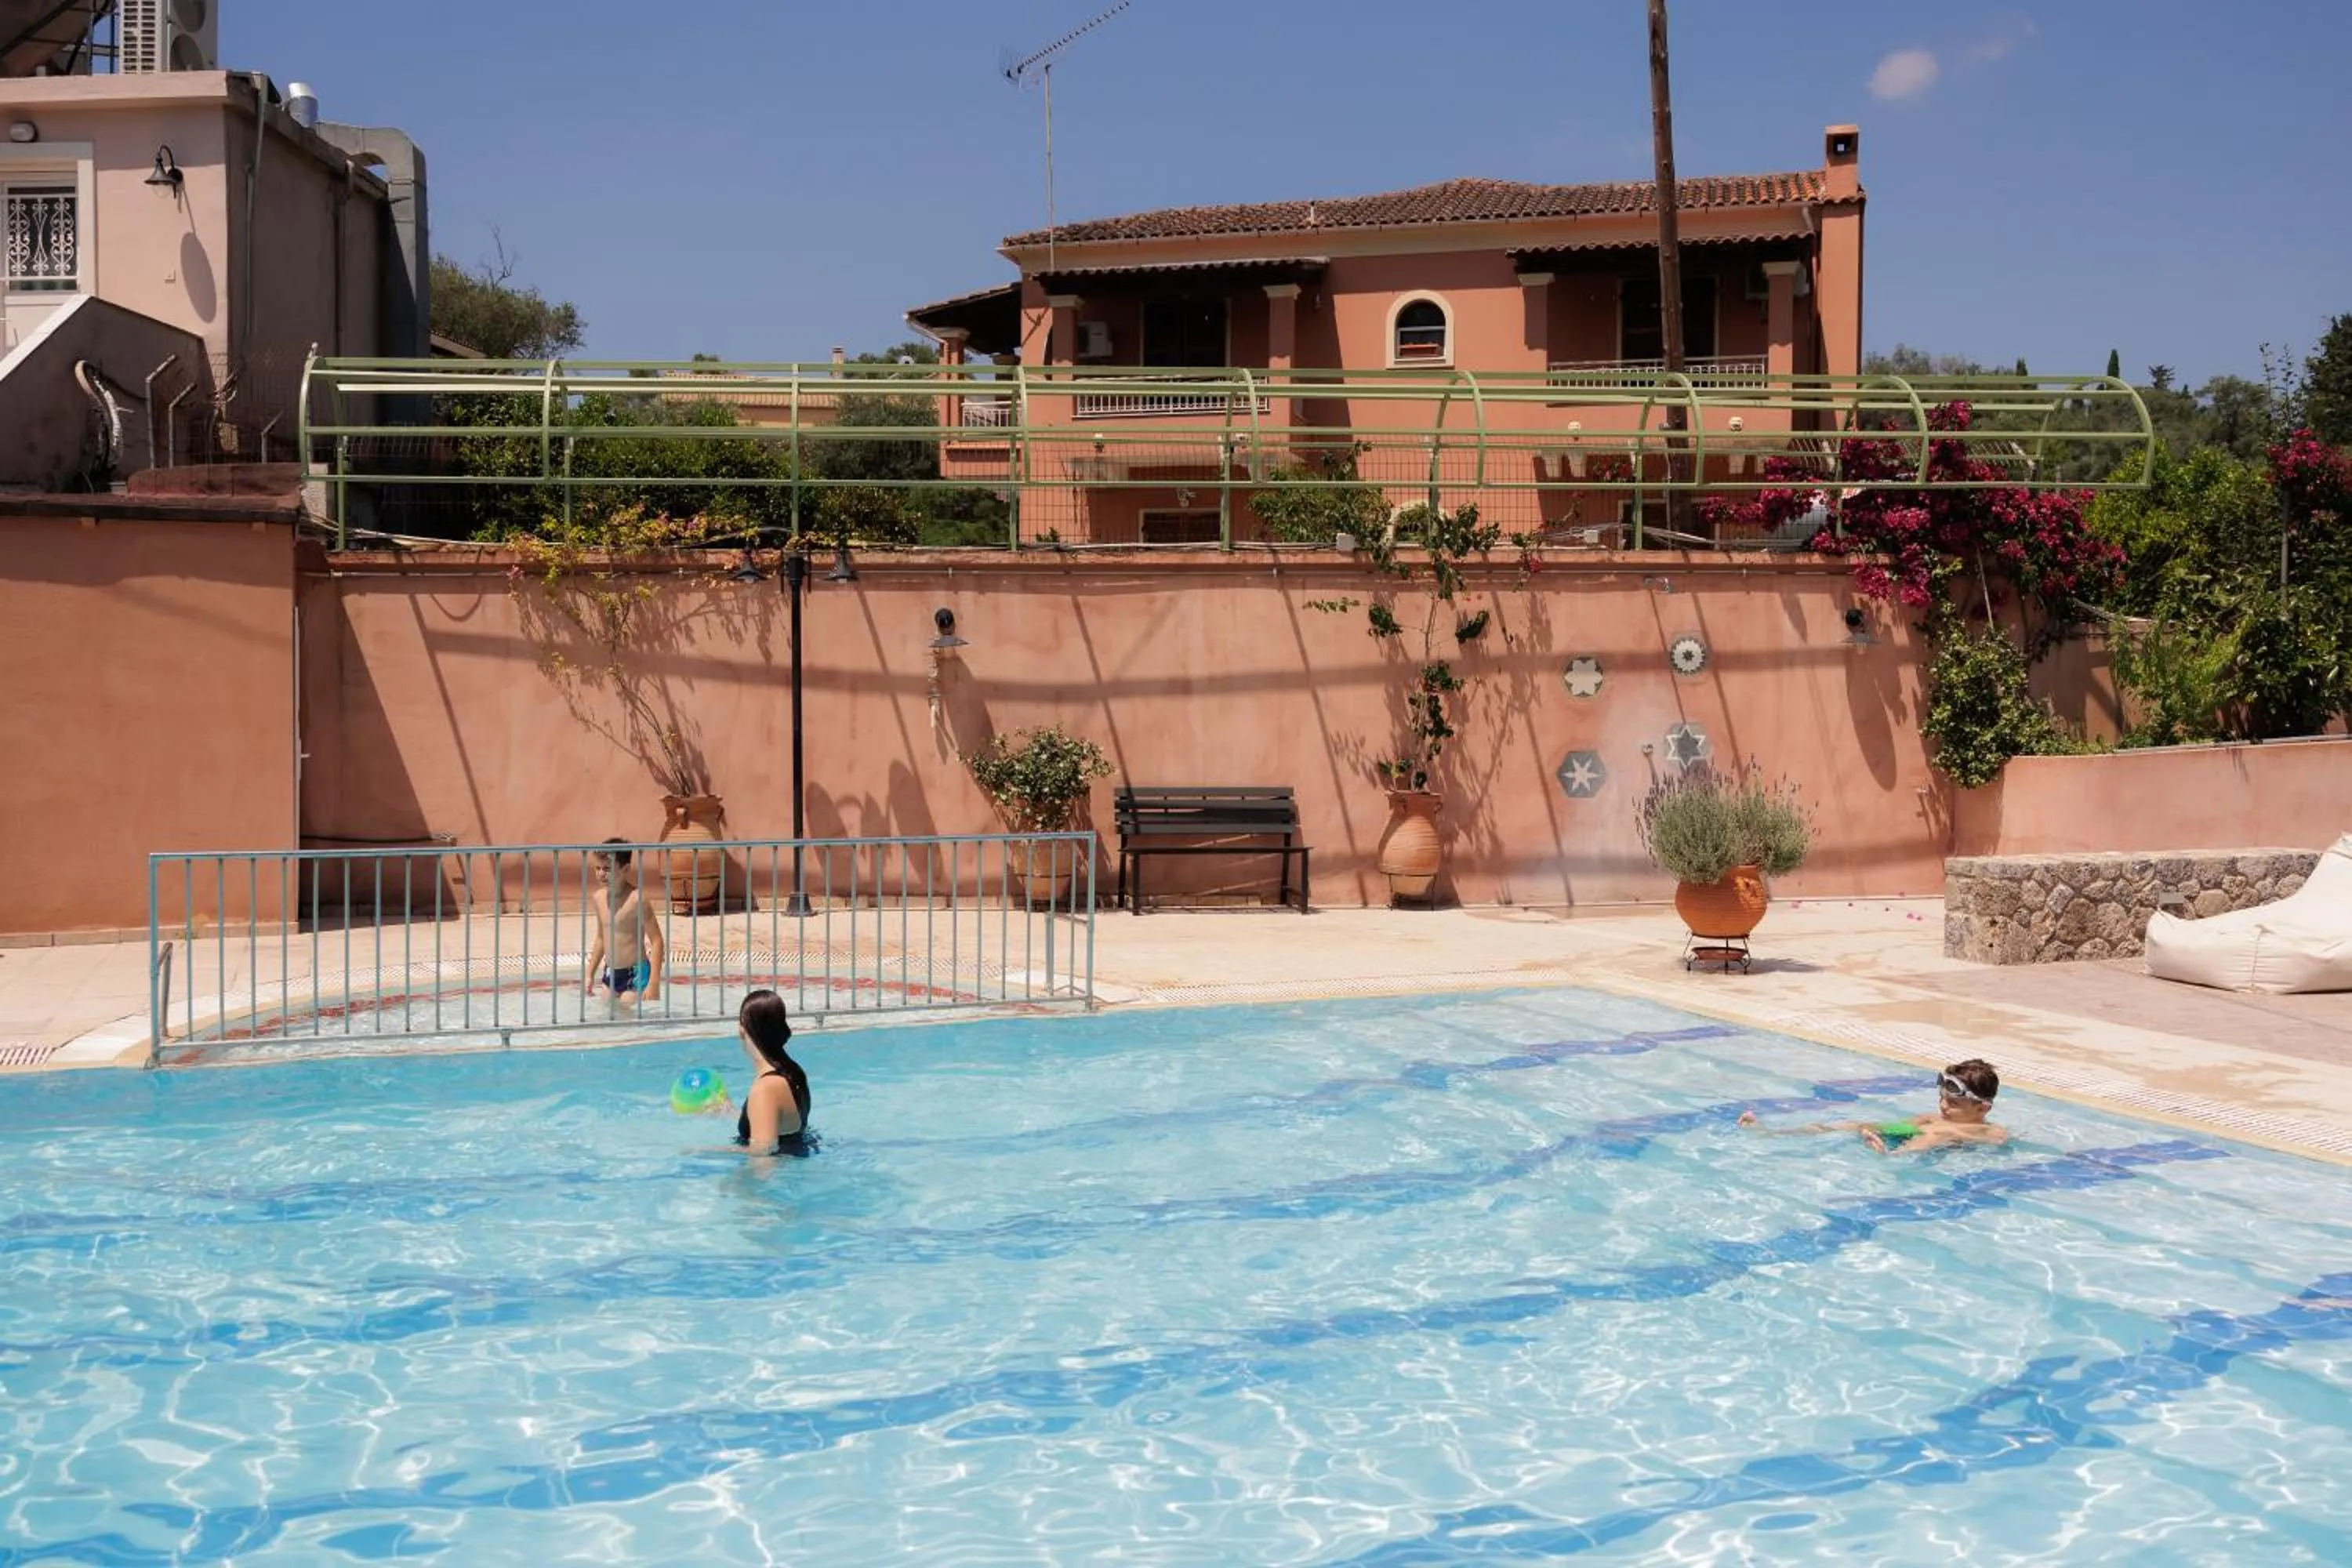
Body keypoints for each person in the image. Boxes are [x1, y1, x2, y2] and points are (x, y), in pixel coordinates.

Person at [1738, 1059, 2008, 1154]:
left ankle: (1890, 1158)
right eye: (1942, 1098)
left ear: (1982, 1109)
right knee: (1857, 1124)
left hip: (1921, 1149)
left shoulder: (1992, 1132)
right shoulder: (1929, 1118)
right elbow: (1898, 1128)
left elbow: (1995, 1141)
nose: (1943, 1106)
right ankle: (1774, 1133)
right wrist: (1877, 1131)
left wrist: (1952, 1135)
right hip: (1907, 1138)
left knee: (1934, 1134)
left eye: (1953, 1103)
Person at [585, 838, 666, 1007]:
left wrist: (654, 983)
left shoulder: (637, 899)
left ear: (625, 869)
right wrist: (589, 973)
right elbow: (601, 938)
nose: (601, 874)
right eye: (597, 868)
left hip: (635, 972)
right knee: (606, 1011)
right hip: (611, 973)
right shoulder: (598, 898)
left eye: (607, 869)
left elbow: (657, 941)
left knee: (625, 1013)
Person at [732, 989, 813, 1156]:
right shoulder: (793, 1072)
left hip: (779, 1175)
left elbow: (764, 1156)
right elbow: (780, 1125)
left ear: (742, 1030)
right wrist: (729, 1112)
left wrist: (705, 1151)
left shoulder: (766, 1088)